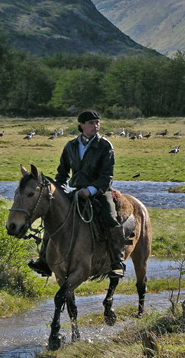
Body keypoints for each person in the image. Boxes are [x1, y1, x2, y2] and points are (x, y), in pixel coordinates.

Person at [28, 109, 127, 278]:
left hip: (99, 191)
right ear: (81, 125)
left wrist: (90, 190)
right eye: (91, 123)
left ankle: (117, 262)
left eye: (97, 123)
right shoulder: (71, 146)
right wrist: (59, 189)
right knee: (53, 217)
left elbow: (107, 176)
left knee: (111, 219)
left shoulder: (105, 145)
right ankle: (44, 260)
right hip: (74, 190)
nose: (96, 126)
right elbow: (62, 173)